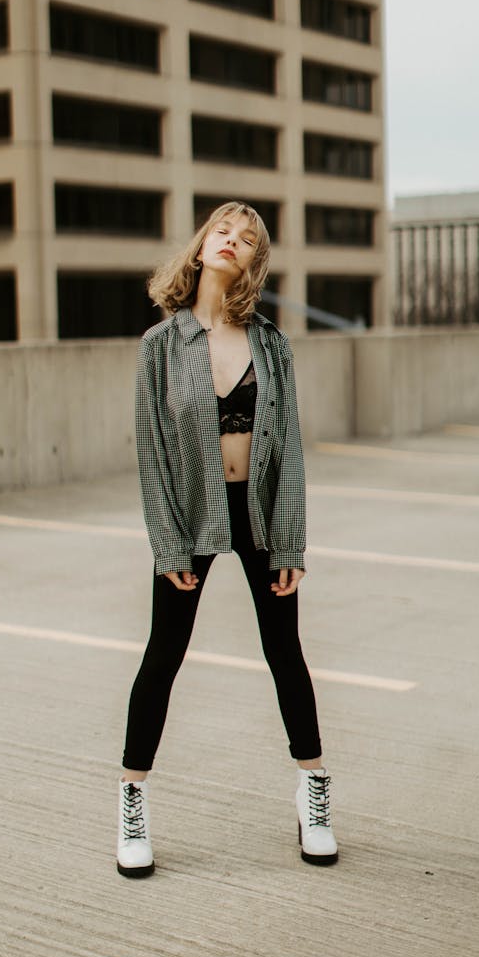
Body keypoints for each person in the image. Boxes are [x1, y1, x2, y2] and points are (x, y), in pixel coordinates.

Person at [117, 201, 338, 877]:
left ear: (252, 261)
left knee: (284, 649)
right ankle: (131, 799)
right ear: (202, 243)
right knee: (165, 651)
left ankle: (314, 792)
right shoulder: (162, 345)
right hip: (192, 513)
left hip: (262, 513)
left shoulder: (271, 343)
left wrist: (292, 543)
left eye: (245, 239)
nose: (230, 242)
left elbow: (291, 450)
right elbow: (153, 455)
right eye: (222, 230)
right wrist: (170, 545)